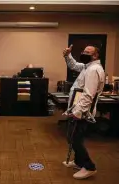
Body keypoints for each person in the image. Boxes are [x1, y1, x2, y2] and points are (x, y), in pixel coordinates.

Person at [62, 45, 105, 179]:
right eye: (83, 51)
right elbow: (74, 65)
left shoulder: (94, 70)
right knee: (74, 136)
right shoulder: (88, 67)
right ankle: (79, 162)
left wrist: (78, 112)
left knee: (74, 138)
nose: (84, 53)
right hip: (77, 107)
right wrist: (67, 55)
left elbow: (88, 94)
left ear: (96, 56)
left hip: (82, 110)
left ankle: (89, 166)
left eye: (88, 52)